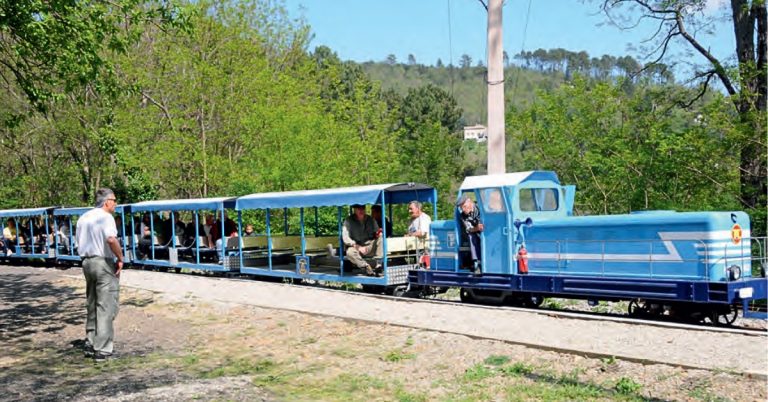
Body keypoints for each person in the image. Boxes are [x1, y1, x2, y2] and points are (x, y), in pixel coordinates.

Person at [76, 188, 125, 362]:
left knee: (91, 301)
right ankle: (103, 349)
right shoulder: (106, 217)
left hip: (86, 262)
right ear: (107, 202)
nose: (116, 203)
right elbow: (111, 239)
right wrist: (120, 257)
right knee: (105, 304)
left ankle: (90, 341)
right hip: (103, 262)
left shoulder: (84, 217)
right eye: (114, 200)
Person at [342, 204, 382, 276]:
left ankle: (379, 265)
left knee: (382, 239)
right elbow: (345, 238)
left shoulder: (371, 219)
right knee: (349, 252)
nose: (361, 210)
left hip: (369, 246)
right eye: (358, 208)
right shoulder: (348, 221)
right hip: (356, 247)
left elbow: (377, 232)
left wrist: (379, 234)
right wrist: (357, 246)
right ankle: (366, 266)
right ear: (354, 209)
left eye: (363, 208)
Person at [458, 195, 484, 275]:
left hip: (486, 232)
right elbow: (468, 229)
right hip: (475, 233)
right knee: (471, 236)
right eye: (461, 208)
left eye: (464, 206)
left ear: (470, 202)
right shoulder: (463, 215)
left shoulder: (481, 208)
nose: (463, 209)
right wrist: (477, 228)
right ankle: (477, 263)